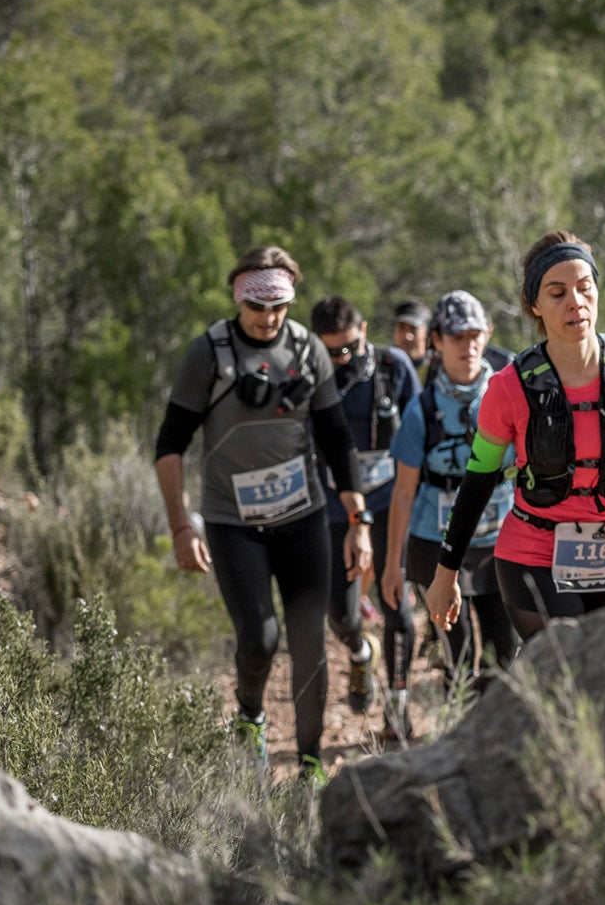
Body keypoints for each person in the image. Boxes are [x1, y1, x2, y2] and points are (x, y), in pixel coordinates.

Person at [154, 247, 373, 788]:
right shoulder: (209, 353)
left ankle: (310, 760)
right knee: (260, 639)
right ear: (238, 297)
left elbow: (336, 437)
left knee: (308, 643)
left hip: (303, 519)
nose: (268, 317)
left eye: (278, 305)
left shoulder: (306, 349)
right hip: (234, 524)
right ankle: (250, 715)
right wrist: (182, 527)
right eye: (257, 305)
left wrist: (359, 519)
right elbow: (169, 445)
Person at [423, 233, 605, 642]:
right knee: (566, 674)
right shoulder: (509, 387)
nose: (575, 302)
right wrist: (446, 573)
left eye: (584, 288)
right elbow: (476, 483)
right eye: (557, 293)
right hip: (533, 556)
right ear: (535, 306)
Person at [381, 291, 519, 734]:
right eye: (457, 336)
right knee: (458, 656)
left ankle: (495, 741)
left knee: (506, 652)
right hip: (435, 549)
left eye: (476, 334)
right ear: (437, 341)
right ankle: (461, 742)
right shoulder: (422, 410)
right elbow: (402, 493)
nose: (468, 345)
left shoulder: (508, 394)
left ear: (488, 335)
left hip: (499, 544)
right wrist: (392, 567)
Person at [311, 295, 418, 720]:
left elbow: (419, 432)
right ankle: (360, 654)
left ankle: (398, 707)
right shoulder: (307, 374)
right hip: (336, 512)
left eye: (348, 348)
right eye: (329, 351)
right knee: (340, 613)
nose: (340, 359)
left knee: (396, 603)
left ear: (365, 331)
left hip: (391, 503)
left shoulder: (393, 367)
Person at [390, 299, 431, 371]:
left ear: (426, 333)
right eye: (401, 328)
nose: (407, 337)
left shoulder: (439, 374)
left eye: (413, 329)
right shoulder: (381, 370)